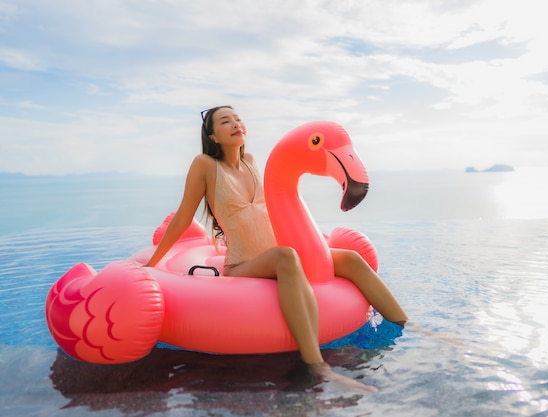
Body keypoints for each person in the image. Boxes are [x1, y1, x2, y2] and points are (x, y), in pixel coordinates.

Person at [145, 105, 408, 393]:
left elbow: (276, 208)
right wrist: (153, 264)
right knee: (286, 256)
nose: (235, 124)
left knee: (351, 259)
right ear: (213, 136)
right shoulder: (205, 165)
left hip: (279, 255)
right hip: (243, 264)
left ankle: (407, 324)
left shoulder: (252, 162)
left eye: (237, 119)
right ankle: (316, 364)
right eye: (225, 122)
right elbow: (184, 217)